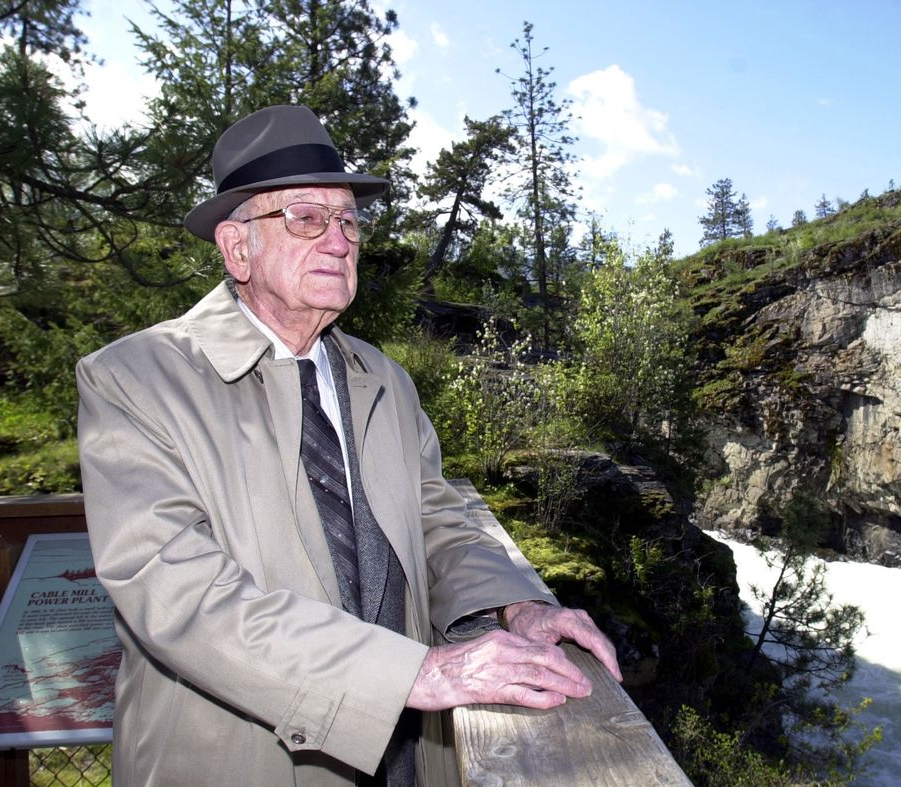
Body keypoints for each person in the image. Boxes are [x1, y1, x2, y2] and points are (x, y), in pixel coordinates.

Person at [76, 104, 621, 787]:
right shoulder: (136, 379)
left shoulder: (383, 380)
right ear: (236, 248)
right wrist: (412, 672)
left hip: (404, 758)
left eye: (349, 221)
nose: (338, 240)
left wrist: (519, 603)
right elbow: (176, 593)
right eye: (306, 218)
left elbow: (437, 519)